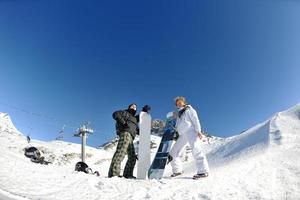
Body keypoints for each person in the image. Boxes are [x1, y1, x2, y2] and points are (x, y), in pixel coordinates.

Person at [169, 97, 210, 179]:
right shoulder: (178, 115)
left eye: (180, 101)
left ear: (183, 102)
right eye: (177, 103)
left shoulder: (189, 109)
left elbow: (195, 119)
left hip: (191, 132)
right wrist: (173, 116)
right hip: (182, 135)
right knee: (173, 153)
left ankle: (203, 171)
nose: (179, 103)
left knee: (196, 149)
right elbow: (173, 122)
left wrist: (198, 130)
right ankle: (177, 171)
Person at [108, 103, 150, 179]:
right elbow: (115, 114)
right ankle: (113, 174)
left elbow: (139, 119)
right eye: (132, 106)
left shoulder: (134, 118)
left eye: (135, 107)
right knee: (121, 152)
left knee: (132, 157)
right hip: (125, 133)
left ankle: (127, 174)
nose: (134, 107)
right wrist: (123, 122)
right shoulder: (124, 112)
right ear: (129, 107)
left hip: (131, 137)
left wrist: (144, 111)